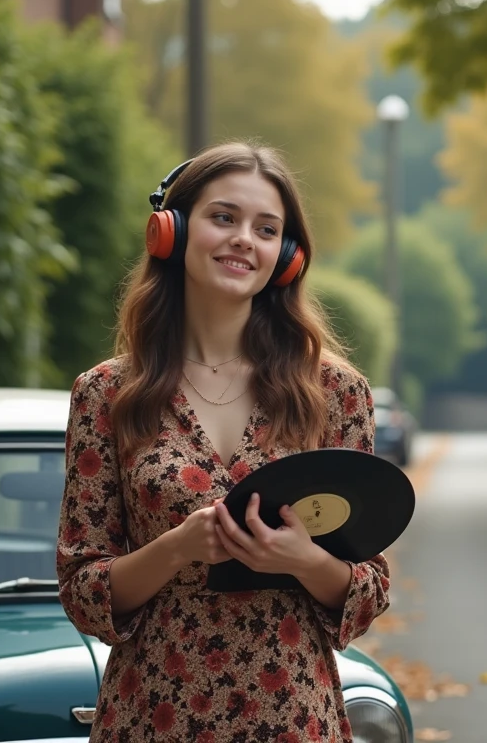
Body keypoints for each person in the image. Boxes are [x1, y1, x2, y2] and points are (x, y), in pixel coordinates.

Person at [57, 141, 392, 742]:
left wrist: (304, 561)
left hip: (293, 717)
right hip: (152, 716)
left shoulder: (336, 393)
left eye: (266, 229)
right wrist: (177, 548)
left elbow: (367, 589)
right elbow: (84, 592)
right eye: (223, 217)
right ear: (172, 231)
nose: (244, 239)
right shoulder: (106, 393)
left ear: (284, 257)